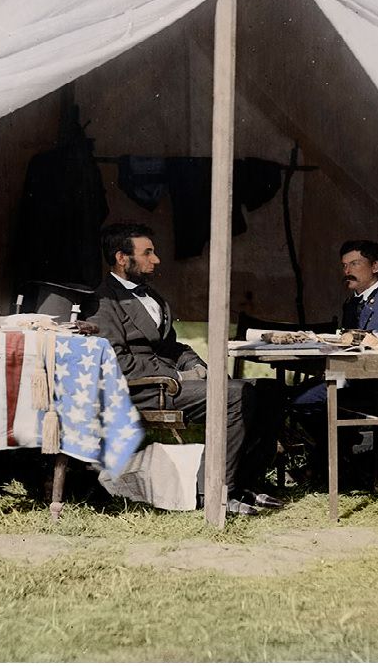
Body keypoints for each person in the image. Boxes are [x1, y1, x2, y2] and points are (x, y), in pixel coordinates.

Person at [93, 221, 282, 516]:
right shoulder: (104, 301)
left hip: (168, 383)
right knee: (234, 396)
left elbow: (171, 347)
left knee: (269, 390)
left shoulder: (153, 296)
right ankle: (215, 492)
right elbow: (116, 362)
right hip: (142, 390)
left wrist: (196, 365)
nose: (155, 260)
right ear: (121, 258)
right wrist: (178, 376)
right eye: (147, 253)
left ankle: (245, 483)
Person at [295, 238, 378, 482]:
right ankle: (339, 457)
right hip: (363, 382)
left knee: (307, 400)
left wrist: (366, 337)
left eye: (355, 264)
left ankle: (335, 461)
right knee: (300, 398)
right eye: (344, 266)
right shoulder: (352, 304)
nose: (347, 271)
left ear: (375, 266)